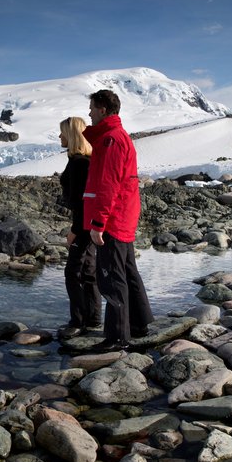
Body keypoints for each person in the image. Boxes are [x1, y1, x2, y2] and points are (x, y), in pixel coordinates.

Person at [82, 89, 153, 352]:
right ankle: (139, 323)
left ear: (102, 108)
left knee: (111, 277)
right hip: (122, 218)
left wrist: (98, 223)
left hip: (112, 220)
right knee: (128, 271)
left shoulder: (111, 140)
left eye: (91, 108)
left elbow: (108, 185)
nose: (89, 113)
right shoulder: (117, 137)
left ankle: (117, 337)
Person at [57, 117, 101, 339]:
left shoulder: (78, 163)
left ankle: (79, 321)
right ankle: (93, 318)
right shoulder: (84, 160)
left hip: (83, 225)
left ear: (72, 135)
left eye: (63, 133)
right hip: (89, 224)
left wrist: (75, 230)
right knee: (88, 270)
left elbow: (83, 201)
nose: (60, 137)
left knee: (73, 272)